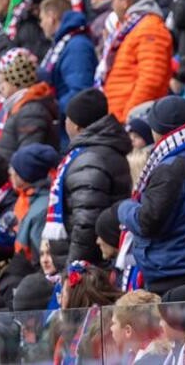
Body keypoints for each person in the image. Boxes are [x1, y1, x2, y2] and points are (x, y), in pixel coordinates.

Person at [117, 96, 185, 295]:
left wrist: (124, 208)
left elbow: (147, 222)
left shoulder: (170, 168)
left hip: (170, 267)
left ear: (157, 129)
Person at [42, 88, 132, 263]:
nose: (65, 122)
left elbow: (86, 223)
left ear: (77, 126)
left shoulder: (90, 160)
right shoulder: (98, 151)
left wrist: (74, 268)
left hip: (89, 266)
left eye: (67, 118)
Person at [101, 0, 172, 123]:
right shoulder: (130, 27)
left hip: (129, 118)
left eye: (113, 0)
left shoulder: (149, 27)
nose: (112, 5)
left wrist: (130, 117)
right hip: (118, 114)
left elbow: (151, 79)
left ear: (125, 2)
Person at [0, 48, 60, 158]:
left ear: (15, 83)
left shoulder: (31, 112)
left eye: (3, 82)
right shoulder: (18, 106)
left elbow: (27, 157)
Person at [37, 0, 96, 114]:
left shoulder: (77, 47)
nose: (41, 24)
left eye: (42, 19)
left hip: (69, 119)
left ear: (51, 17)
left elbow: (80, 93)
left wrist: (53, 109)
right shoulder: (63, 43)